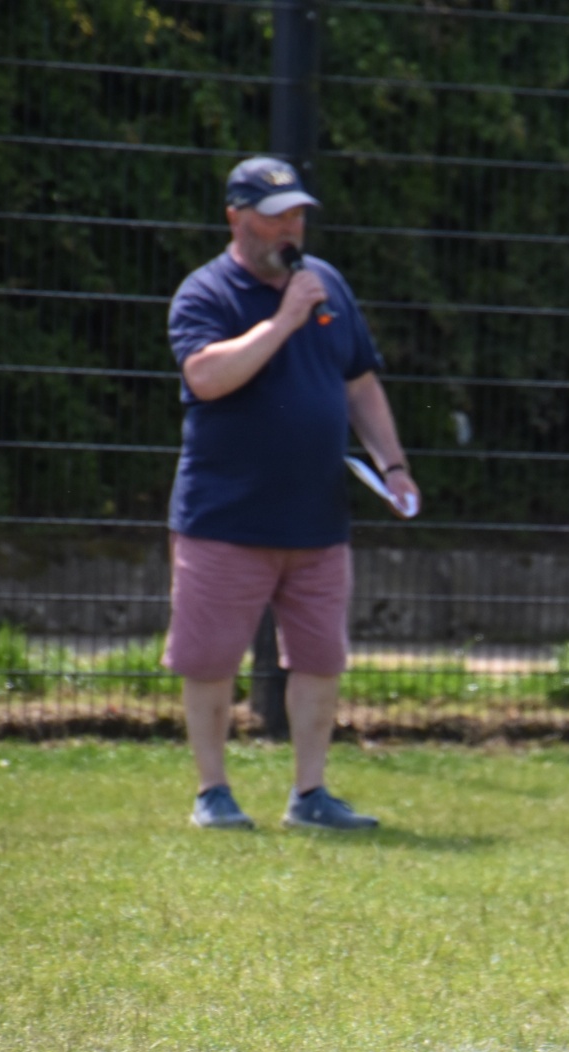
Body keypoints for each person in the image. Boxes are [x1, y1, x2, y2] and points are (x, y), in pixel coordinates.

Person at [162, 156, 420, 831]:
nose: (290, 228)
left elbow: (360, 383)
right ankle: (213, 793)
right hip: (225, 517)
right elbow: (207, 377)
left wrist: (393, 466)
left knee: (320, 659)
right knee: (210, 660)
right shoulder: (205, 293)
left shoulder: (326, 284)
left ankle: (310, 795)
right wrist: (283, 320)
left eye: (298, 215)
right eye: (276, 216)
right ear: (236, 219)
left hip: (317, 518)